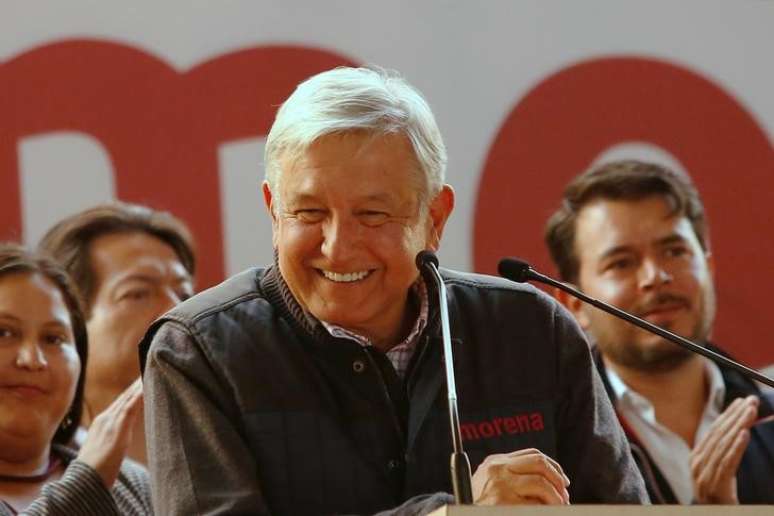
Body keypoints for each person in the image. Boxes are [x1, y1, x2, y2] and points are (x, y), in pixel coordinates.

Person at [141, 66, 647, 515]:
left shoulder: (531, 330)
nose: (338, 248)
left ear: (435, 218)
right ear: (274, 210)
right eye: (309, 213)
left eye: (373, 214)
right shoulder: (198, 352)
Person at [545, 160, 774, 504]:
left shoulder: (768, 416)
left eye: (674, 251)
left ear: (708, 267)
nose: (655, 276)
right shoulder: (553, 451)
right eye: (621, 263)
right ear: (574, 303)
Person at [38, 202, 195, 465]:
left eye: (184, 294)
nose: (177, 310)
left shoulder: (226, 450)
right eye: (138, 293)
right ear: (69, 322)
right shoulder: (33, 473)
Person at [0, 244, 150, 515]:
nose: (33, 360)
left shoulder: (131, 484)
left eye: (53, 339)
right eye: (4, 333)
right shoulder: (96, 476)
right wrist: (87, 484)